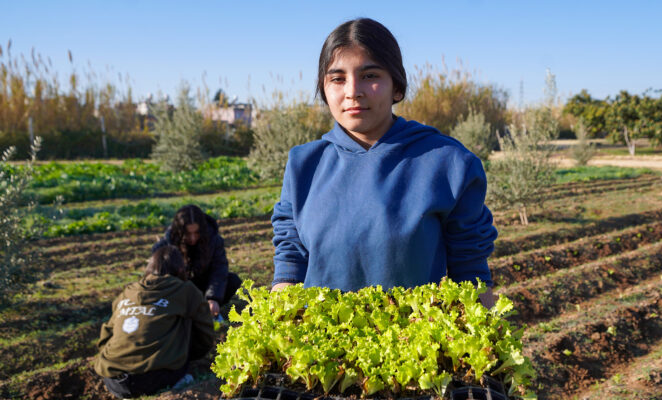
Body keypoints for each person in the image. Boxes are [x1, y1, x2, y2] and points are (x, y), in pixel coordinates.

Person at [270, 18, 498, 307]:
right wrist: (275, 338)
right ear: (324, 90)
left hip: (412, 347)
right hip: (318, 348)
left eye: (370, 75)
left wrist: (488, 346)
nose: (353, 91)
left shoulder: (449, 164)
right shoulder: (303, 165)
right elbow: (290, 264)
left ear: (397, 87)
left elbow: (470, 273)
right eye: (337, 79)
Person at [94, 245, 215, 398]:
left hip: (113, 380)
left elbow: (105, 336)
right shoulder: (186, 290)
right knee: (185, 322)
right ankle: (180, 383)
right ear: (179, 269)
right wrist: (190, 355)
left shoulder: (127, 292)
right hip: (155, 378)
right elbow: (205, 333)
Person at [153, 204, 241, 318]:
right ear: (180, 231)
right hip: (179, 289)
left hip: (203, 287)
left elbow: (219, 269)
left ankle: (206, 309)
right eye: (188, 234)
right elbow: (158, 276)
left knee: (232, 281)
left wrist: (213, 298)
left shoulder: (214, 240)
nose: (193, 238)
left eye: (197, 233)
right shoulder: (167, 243)